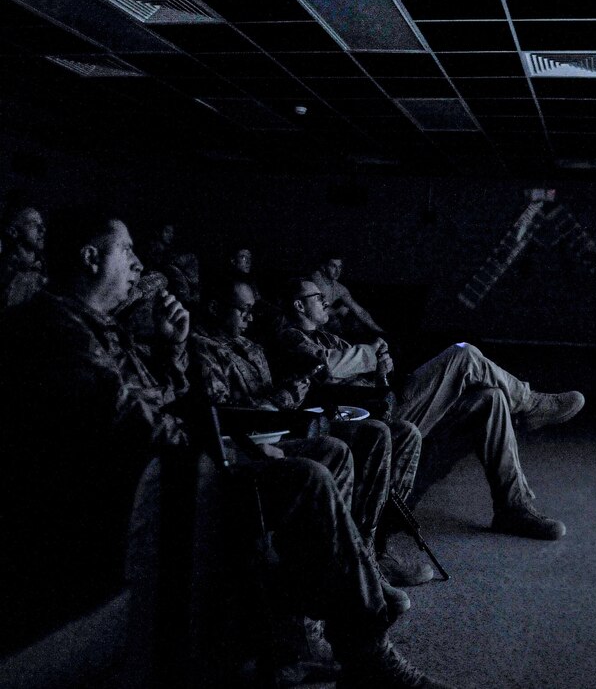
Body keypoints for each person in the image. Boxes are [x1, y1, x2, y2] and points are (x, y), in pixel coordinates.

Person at [0, 213, 446, 686]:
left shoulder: (99, 326)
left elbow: (159, 401)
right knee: (306, 478)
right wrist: (237, 454)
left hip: (163, 473)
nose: (137, 263)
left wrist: (173, 351)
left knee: (331, 453)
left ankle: (313, 618)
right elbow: (139, 426)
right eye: (126, 251)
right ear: (91, 258)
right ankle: (367, 652)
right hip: (132, 498)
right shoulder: (60, 329)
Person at [276, 278, 584, 541]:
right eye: (318, 297)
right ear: (299, 306)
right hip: (375, 420)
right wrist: (370, 352)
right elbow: (325, 366)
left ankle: (513, 507)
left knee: (491, 398)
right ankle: (530, 403)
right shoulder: (289, 337)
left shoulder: (329, 337)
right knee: (464, 354)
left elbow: (363, 373)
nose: (326, 302)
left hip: (386, 400)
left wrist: (381, 366)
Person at [191, 276, 432, 586]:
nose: (250, 319)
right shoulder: (205, 349)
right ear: (214, 308)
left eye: (252, 311)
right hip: (254, 440)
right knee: (342, 446)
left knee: (383, 433)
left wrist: (292, 390)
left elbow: (277, 393)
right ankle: (348, 569)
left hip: (290, 420)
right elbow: (227, 415)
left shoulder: (251, 344)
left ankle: (367, 550)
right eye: (243, 311)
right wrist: (284, 397)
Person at [309, 253, 384, 339]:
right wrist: (337, 311)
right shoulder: (315, 278)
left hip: (322, 324)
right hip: (309, 325)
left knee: (355, 322)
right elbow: (313, 310)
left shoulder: (340, 288)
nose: (337, 271)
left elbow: (360, 311)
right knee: (335, 321)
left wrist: (378, 330)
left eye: (340, 267)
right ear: (323, 267)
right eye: (333, 266)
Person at [0, 205, 48, 310]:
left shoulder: (46, 275)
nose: (42, 230)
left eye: (42, 225)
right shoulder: (3, 271)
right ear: (13, 232)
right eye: (34, 224)